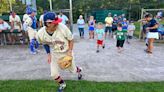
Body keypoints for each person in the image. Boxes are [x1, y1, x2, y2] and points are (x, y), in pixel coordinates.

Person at [37, 12, 82, 91]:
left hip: (66, 52)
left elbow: (71, 40)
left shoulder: (62, 28)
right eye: (55, 23)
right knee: (54, 74)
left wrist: (70, 51)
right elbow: (44, 43)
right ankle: (62, 84)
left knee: (73, 71)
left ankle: (79, 70)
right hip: (55, 54)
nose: (57, 24)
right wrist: (48, 54)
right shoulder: (40, 34)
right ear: (48, 23)